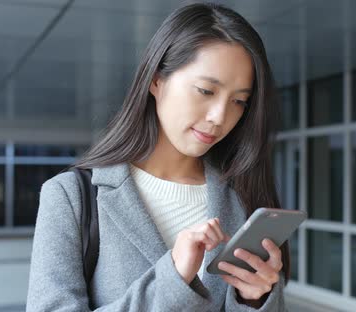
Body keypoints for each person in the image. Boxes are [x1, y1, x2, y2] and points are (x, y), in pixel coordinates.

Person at [26, 2, 289, 311]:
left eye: (239, 101)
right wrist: (172, 281)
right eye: (206, 91)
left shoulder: (241, 196)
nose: (220, 116)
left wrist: (254, 300)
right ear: (156, 80)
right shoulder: (72, 196)